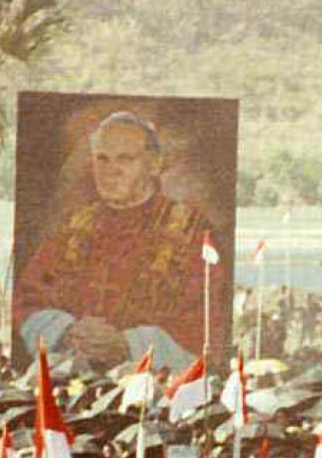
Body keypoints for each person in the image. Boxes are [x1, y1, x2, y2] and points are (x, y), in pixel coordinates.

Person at [14, 110, 230, 367]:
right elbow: (29, 298)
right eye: (102, 159)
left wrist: (128, 344)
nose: (110, 171)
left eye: (125, 159)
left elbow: (205, 321)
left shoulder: (192, 231)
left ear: (154, 164)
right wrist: (67, 331)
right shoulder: (72, 227)